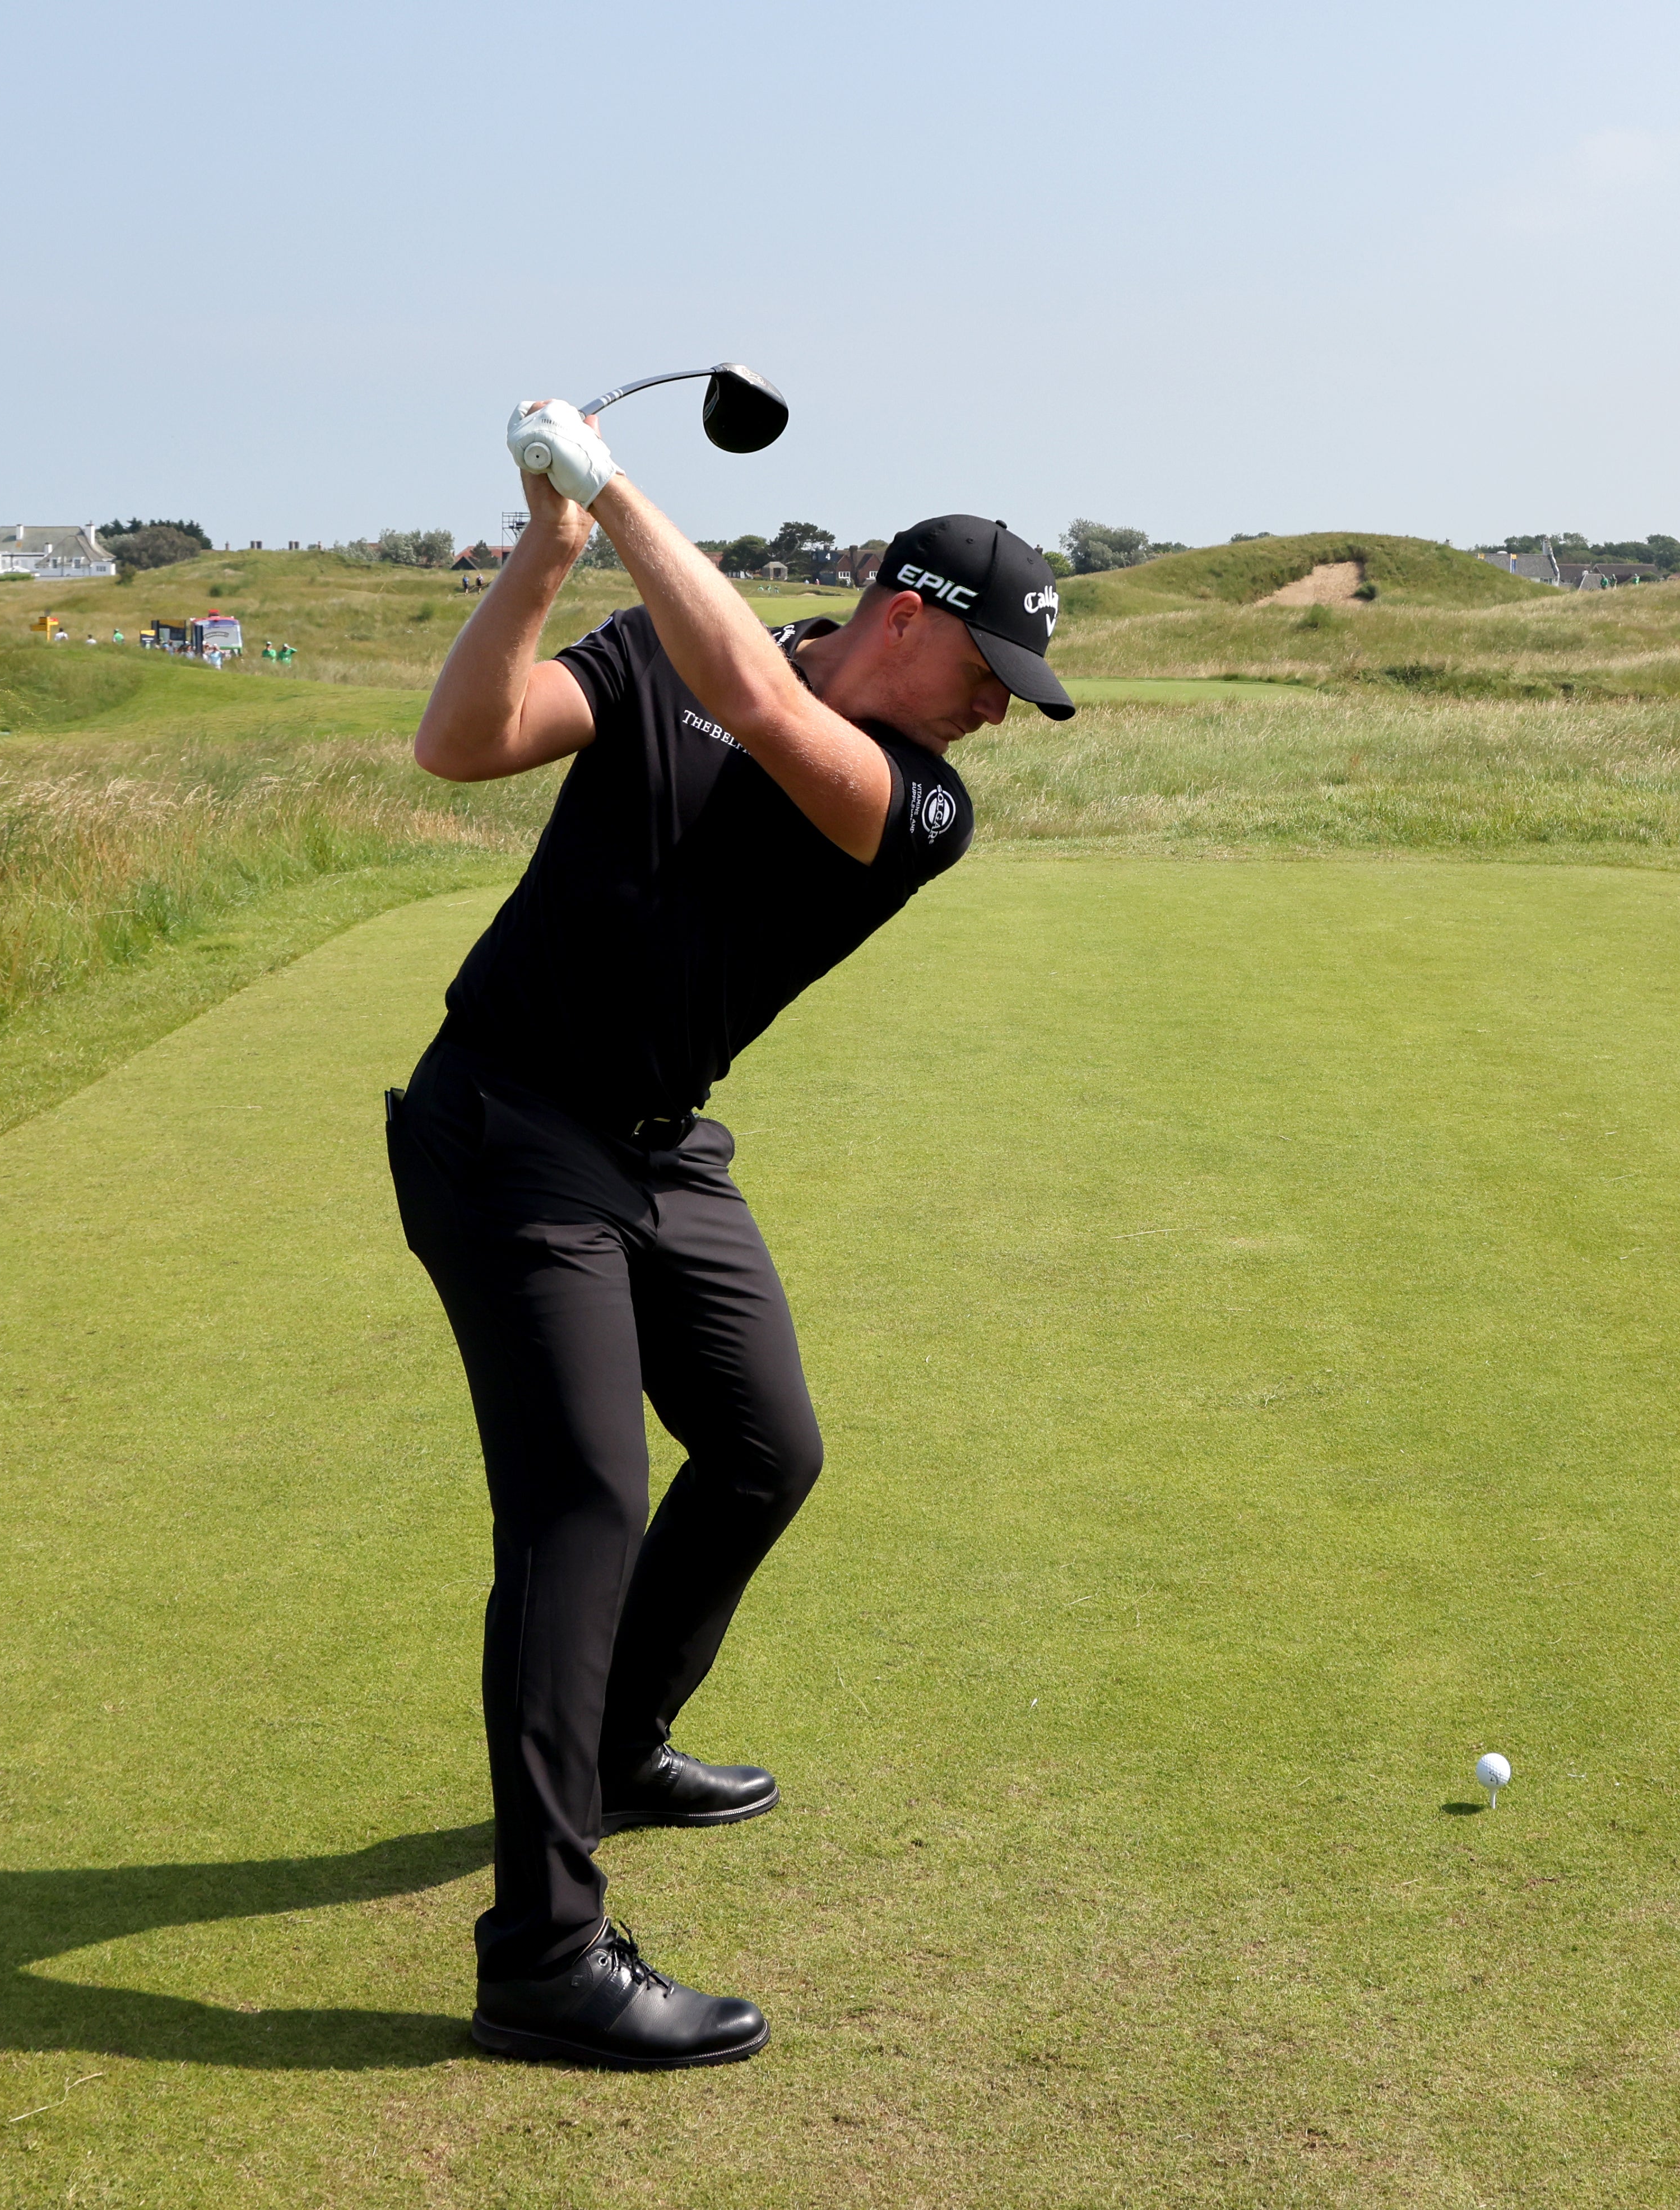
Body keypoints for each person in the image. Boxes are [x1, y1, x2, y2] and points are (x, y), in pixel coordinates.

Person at [388, 398, 1070, 2070]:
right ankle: (542, 1955)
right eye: (989, 672)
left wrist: (614, 489)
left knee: (767, 1447)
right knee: (581, 1507)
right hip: (504, 1125)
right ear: (906, 618)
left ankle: (620, 1742)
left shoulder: (917, 801)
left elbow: (762, 702)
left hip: (659, 1147)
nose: (999, 712)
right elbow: (460, 743)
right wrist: (550, 555)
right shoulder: (649, 659)